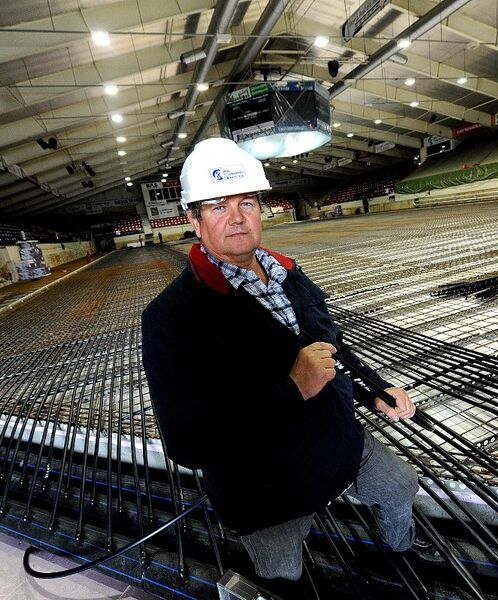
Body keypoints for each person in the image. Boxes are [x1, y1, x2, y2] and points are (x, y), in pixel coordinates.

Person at [141, 137, 431, 586]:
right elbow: (187, 443)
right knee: (282, 573)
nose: (236, 217)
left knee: (400, 485)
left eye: (247, 202)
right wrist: (292, 388)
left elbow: (331, 345)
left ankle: (404, 547)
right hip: (266, 485)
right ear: (194, 220)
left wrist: (375, 389)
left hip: (338, 443)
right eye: (217, 206)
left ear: (262, 209)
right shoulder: (171, 317)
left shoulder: (287, 271)